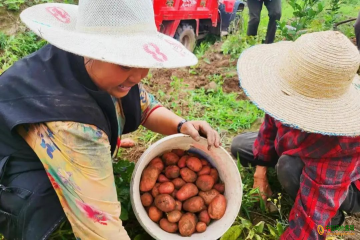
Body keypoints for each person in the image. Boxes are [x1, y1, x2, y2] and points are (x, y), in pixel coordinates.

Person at [0, 1, 221, 240]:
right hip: (12, 174)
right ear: (90, 48)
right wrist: (94, 147)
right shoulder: (71, 124)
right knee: (49, 203)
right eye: (126, 63)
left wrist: (180, 124)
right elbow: (102, 229)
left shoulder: (87, 61)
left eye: (143, 62)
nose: (138, 76)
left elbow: (144, 104)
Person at [232, 30, 360, 239]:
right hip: (295, 146)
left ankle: (334, 218)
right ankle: (283, 170)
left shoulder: (343, 143)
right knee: (240, 145)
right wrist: (260, 171)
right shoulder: (289, 85)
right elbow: (269, 127)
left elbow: (309, 225)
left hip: (347, 184)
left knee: (288, 166)